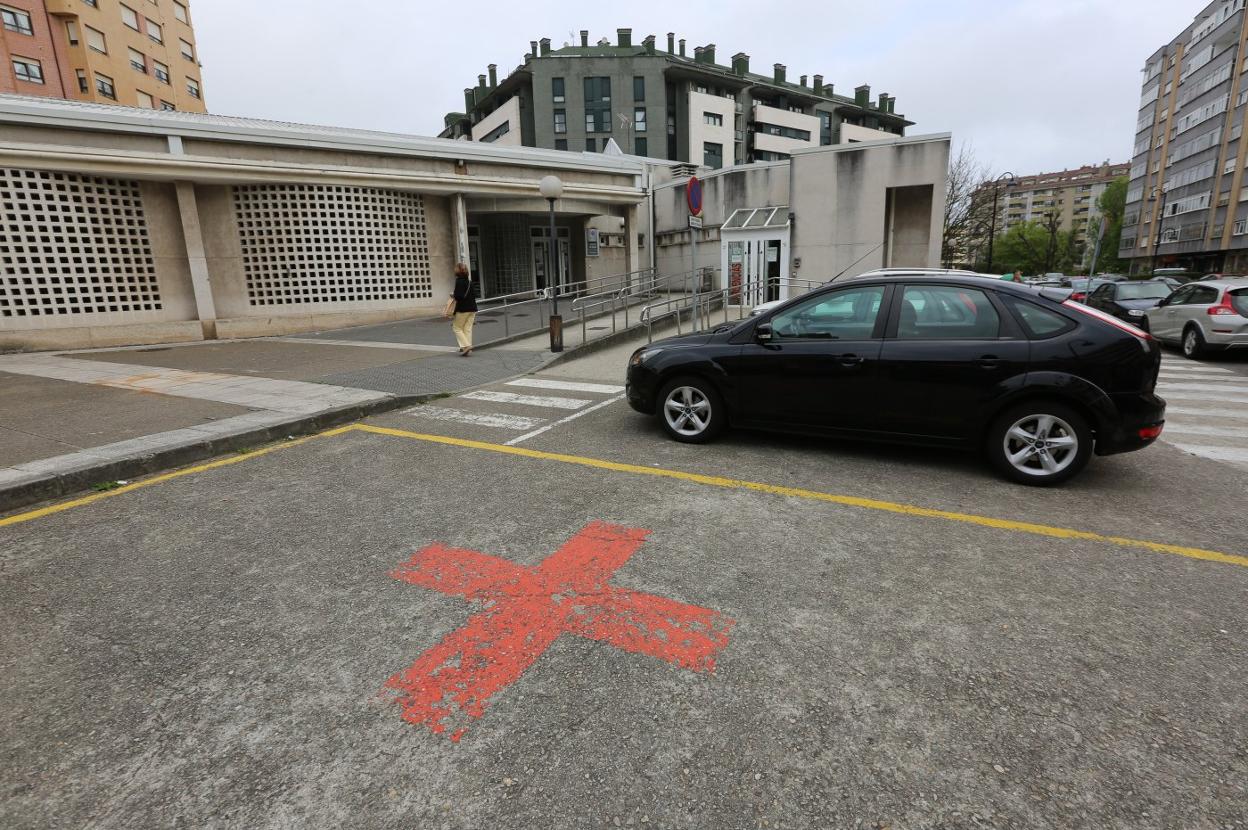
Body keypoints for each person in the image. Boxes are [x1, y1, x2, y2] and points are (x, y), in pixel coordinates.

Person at [449, 262, 477, 356]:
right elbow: (474, 295)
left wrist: (453, 295)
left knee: (456, 327)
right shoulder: (469, 282)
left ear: (458, 271)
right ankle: (466, 348)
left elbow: (459, 296)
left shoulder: (459, 281)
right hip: (472, 308)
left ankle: (466, 346)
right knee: (467, 329)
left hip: (463, 309)